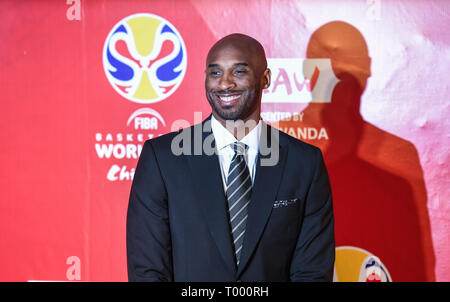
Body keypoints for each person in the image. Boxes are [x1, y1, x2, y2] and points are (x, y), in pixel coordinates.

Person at [126, 33, 335, 282]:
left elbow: (312, 272)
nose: (224, 84)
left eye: (238, 72)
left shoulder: (305, 164)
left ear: (265, 79)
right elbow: (148, 271)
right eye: (215, 73)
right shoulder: (163, 159)